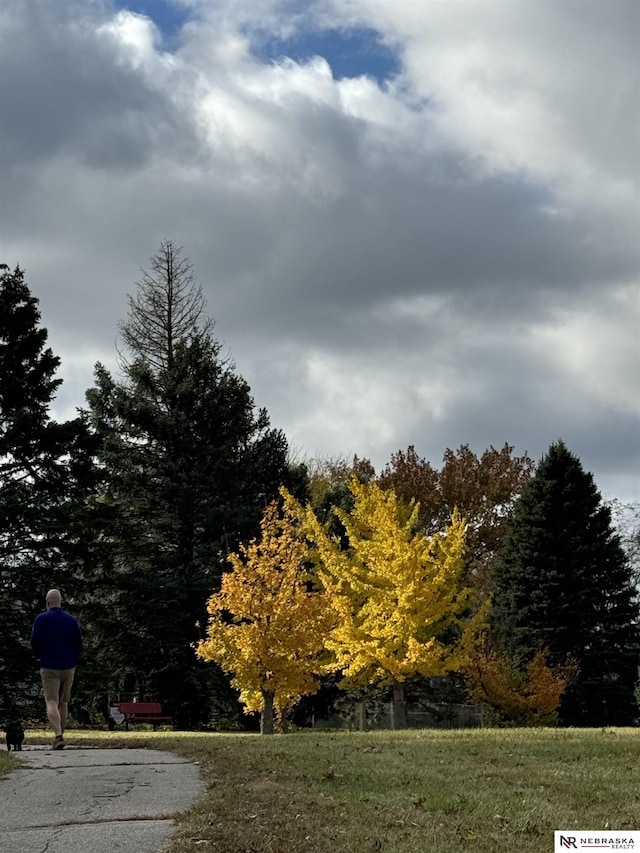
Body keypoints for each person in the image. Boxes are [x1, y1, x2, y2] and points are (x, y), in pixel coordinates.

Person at [30, 589, 83, 750]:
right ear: (61, 601)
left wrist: (40, 654)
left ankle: (58, 735)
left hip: (49, 664)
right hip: (68, 665)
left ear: (47, 603)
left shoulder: (41, 619)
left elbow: (34, 642)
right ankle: (61, 734)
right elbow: (78, 644)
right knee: (63, 702)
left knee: (51, 701)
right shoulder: (71, 620)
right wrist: (73, 657)